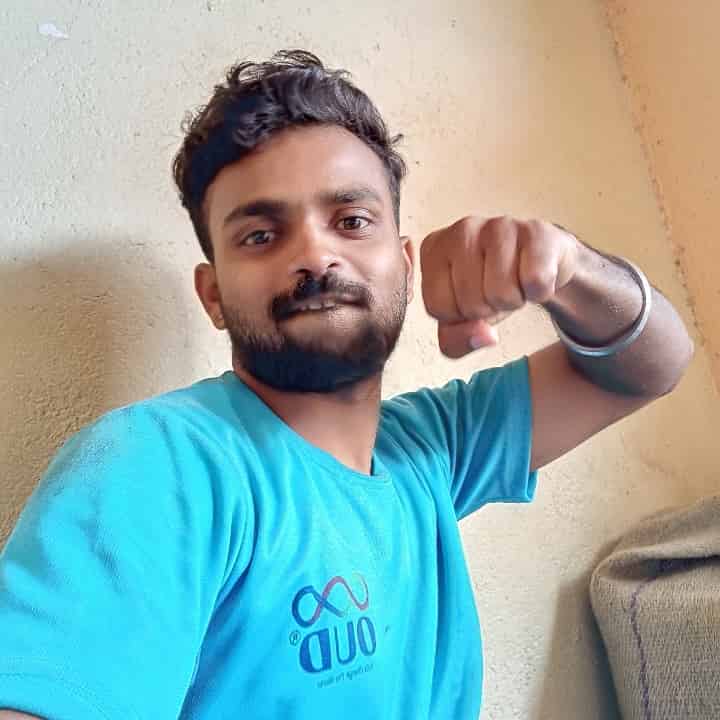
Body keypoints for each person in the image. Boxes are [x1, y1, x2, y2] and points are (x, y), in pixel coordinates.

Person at [0, 49, 693, 720]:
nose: (315, 254)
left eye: (352, 221)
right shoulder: (158, 467)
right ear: (213, 296)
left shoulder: (433, 449)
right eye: (261, 235)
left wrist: (568, 269)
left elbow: (654, 364)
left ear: (405, 264)